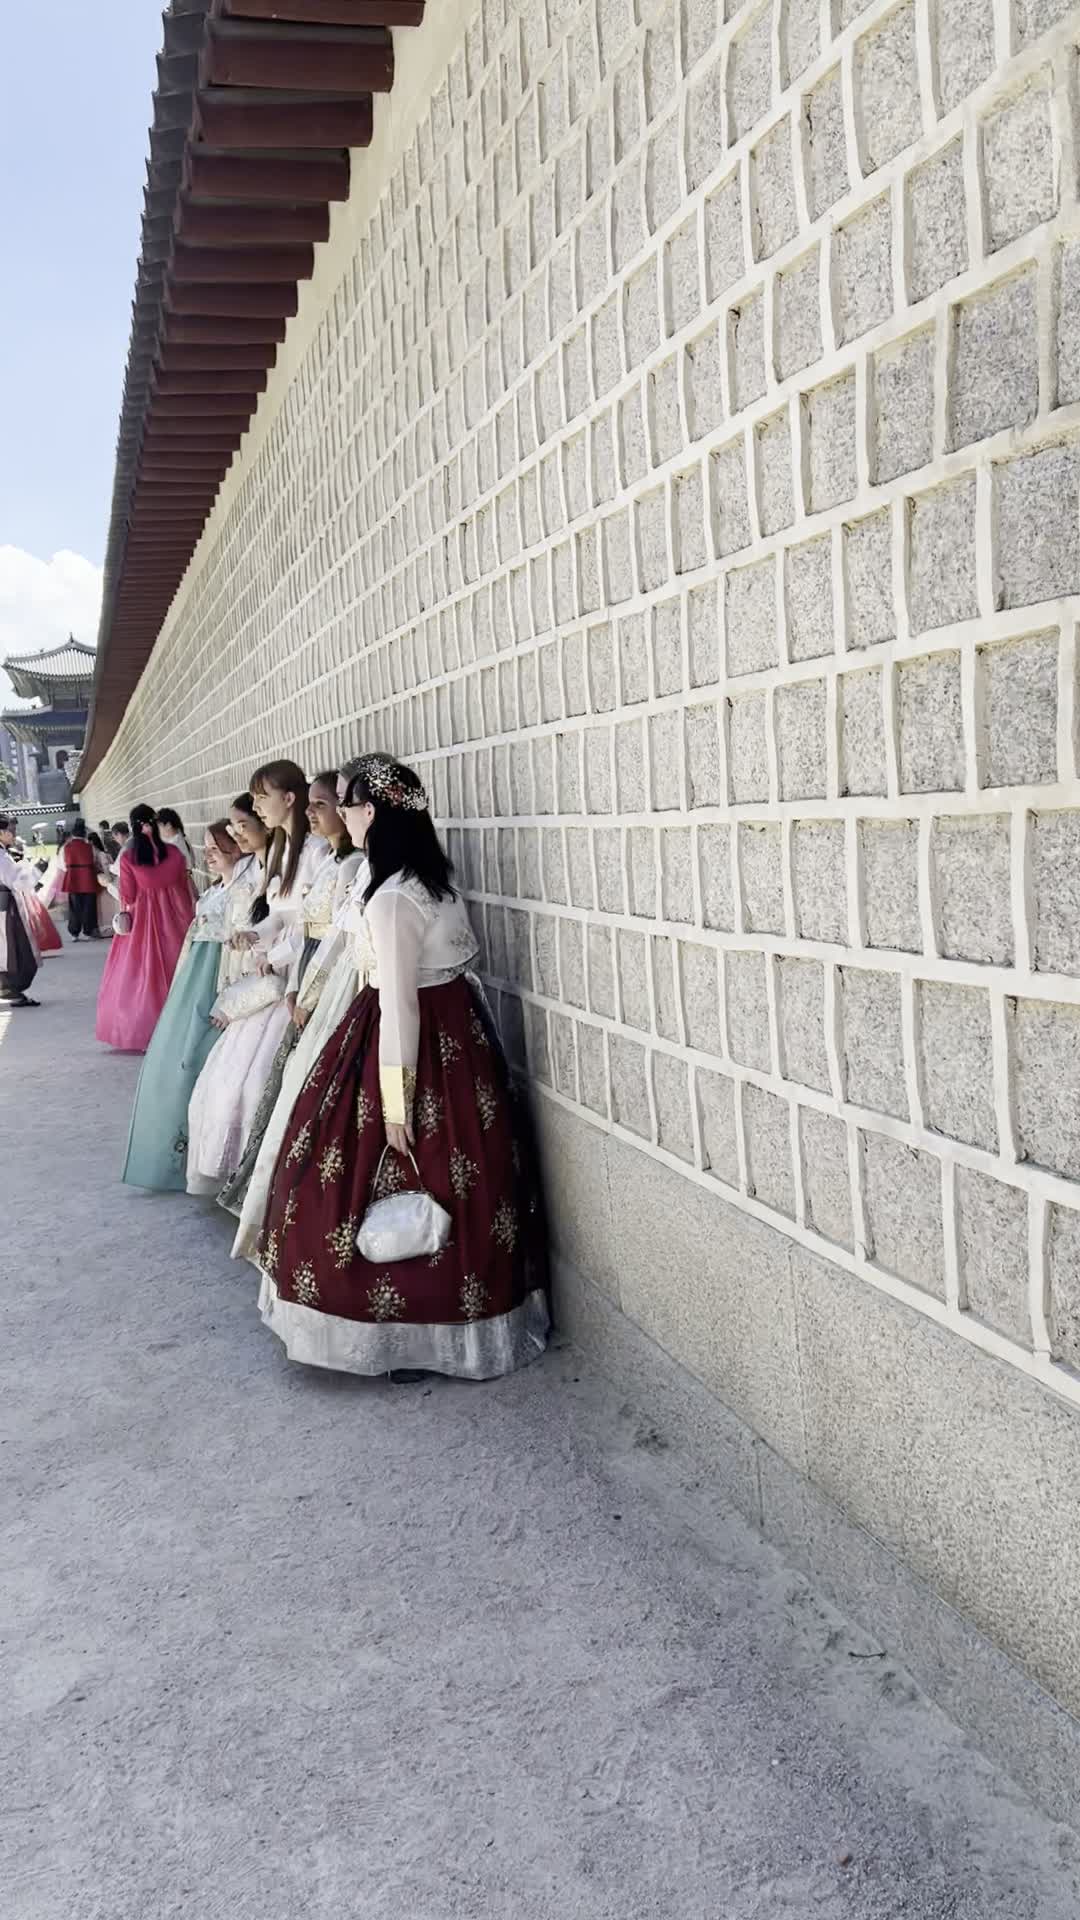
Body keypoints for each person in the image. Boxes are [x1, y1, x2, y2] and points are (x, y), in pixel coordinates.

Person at [256, 754, 549, 1381]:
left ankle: (405, 1334)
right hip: (460, 1040)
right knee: (466, 1175)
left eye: (352, 806)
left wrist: (396, 1106)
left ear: (374, 814)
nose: (345, 816)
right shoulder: (429, 883)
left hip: (403, 1040)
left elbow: (400, 1009)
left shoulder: (392, 899)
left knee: (389, 1178)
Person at [220, 766, 365, 1221]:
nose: (322, 812)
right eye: (322, 804)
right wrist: (259, 942)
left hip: (329, 983)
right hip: (305, 975)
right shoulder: (309, 855)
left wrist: (300, 984)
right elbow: (300, 924)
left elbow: (330, 938)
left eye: (331, 803)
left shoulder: (338, 860)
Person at [186, 761, 328, 1195]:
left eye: (262, 798)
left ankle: (271, 1189)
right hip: (276, 968)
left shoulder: (317, 853)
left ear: (289, 799)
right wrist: (255, 934)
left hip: (299, 974)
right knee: (227, 1083)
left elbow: (314, 925)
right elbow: (278, 917)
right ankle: (243, 1180)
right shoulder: (284, 852)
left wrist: (277, 952)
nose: (258, 807)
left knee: (260, 1085)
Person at [121, 820, 248, 1191]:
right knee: (175, 1059)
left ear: (235, 848)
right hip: (194, 975)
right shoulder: (215, 888)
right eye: (206, 847)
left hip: (219, 974)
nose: (207, 854)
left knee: (199, 1056)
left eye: (215, 847)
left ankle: (203, 1157)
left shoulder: (245, 888)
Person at [95, 804, 195, 1052]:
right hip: (174, 921)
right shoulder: (174, 854)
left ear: (133, 827)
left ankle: (146, 1031)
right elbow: (185, 893)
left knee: (141, 975)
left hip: (142, 923)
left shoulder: (130, 857)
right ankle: (180, 1030)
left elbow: (127, 895)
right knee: (177, 972)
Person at [0, 815, 40, 1010]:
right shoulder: (1, 856)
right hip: (5, 908)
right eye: (11, 830)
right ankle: (11, 989)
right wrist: (38, 870)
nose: (13, 833)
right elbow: (18, 882)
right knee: (15, 949)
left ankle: (9, 988)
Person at [59, 818, 102, 941]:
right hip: (87, 877)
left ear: (73, 834)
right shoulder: (90, 847)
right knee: (89, 905)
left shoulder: (66, 847)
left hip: (73, 877)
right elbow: (94, 861)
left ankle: (74, 932)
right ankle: (89, 931)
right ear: (84, 834)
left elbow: (62, 864)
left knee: (74, 907)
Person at [88, 833, 116, 938]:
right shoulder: (100, 853)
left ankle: (107, 929)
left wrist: (107, 878)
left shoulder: (100, 854)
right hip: (101, 882)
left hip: (104, 882)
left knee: (104, 907)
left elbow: (106, 868)